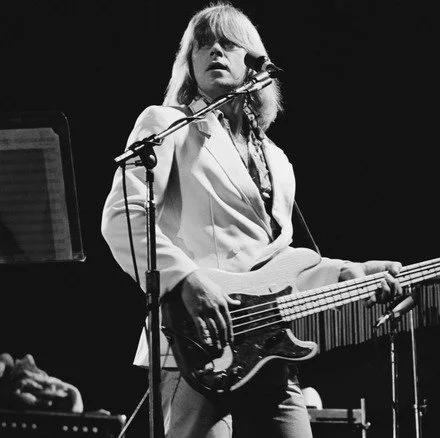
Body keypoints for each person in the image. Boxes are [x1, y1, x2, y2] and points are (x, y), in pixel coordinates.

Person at [101, 4, 401, 437]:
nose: (214, 51)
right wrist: (184, 279)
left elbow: (283, 264)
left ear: (255, 62)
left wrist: (353, 274)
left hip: (269, 347)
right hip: (197, 342)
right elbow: (122, 216)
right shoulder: (167, 124)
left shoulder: (278, 161)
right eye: (202, 45)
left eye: (227, 42)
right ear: (190, 64)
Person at [0, 353, 83, 413]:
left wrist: (17, 389)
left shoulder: (42, 402)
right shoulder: (48, 382)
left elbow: (16, 395)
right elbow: (73, 390)